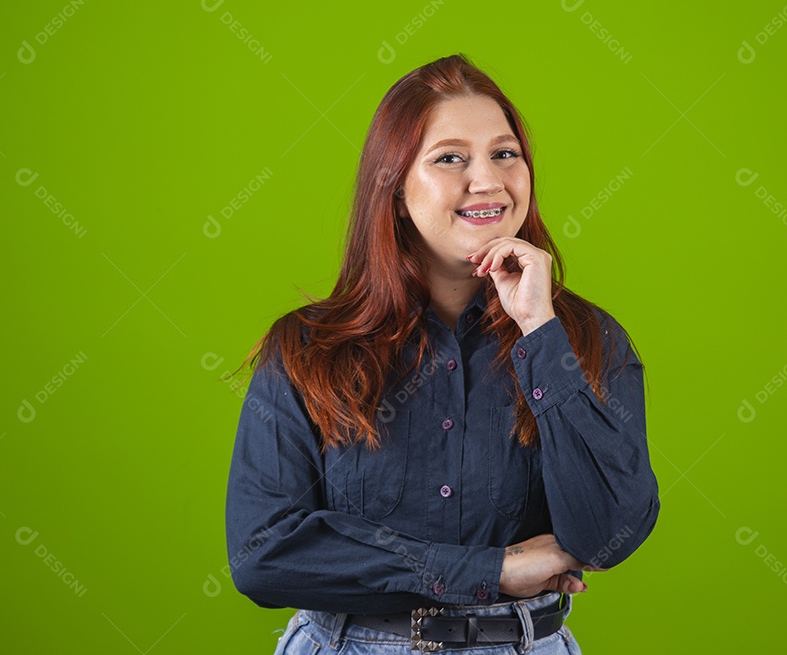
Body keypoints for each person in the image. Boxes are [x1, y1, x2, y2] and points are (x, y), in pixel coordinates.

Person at [225, 53, 660, 654]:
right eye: (449, 158)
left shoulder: (586, 338)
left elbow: (607, 536)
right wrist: (493, 570)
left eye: (504, 154)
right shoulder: (306, 350)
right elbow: (263, 555)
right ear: (396, 190)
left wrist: (538, 327)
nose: (486, 180)